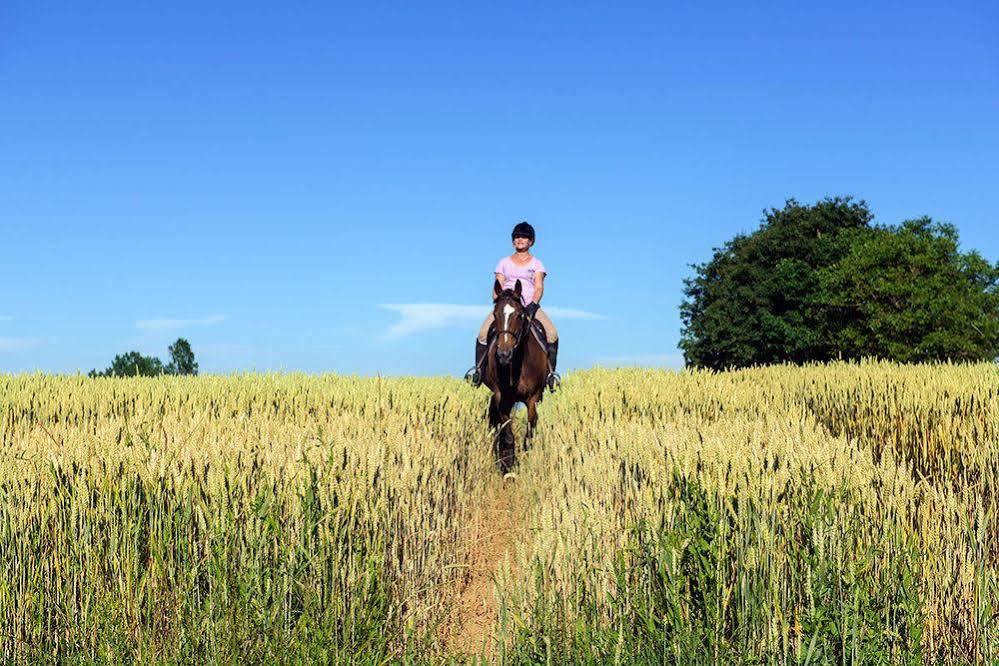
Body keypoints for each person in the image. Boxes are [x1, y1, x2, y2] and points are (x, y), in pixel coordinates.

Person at [465, 221, 560, 391]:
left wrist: (533, 304)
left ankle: (550, 374)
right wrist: (499, 298)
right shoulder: (503, 262)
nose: (520, 239)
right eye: (517, 237)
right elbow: (497, 285)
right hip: (506, 305)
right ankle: (478, 370)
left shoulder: (537, 264)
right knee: (482, 334)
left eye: (524, 237)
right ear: (512, 241)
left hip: (529, 305)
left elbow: (538, 286)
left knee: (552, 333)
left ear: (531, 241)